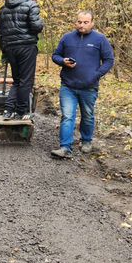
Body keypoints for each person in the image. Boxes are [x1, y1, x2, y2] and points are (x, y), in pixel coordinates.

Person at [50, 10, 115, 159]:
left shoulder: (100, 39)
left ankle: (86, 141)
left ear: (92, 23)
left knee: (87, 116)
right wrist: (62, 61)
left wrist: (96, 75)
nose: (82, 25)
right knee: (67, 116)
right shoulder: (67, 38)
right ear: (76, 22)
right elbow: (55, 55)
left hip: (89, 86)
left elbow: (109, 60)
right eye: (79, 22)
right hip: (68, 85)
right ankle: (65, 147)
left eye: (86, 22)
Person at [0, 0, 44, 120]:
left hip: (10, 47)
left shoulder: (4, 7)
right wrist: (41, 24)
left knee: (17, 80)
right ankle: (22, 111)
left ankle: (8, 110)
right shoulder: (31, 5)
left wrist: (4, 50)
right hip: (26, 46)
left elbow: (0, 32)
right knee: (26, 80)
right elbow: (36, 26)